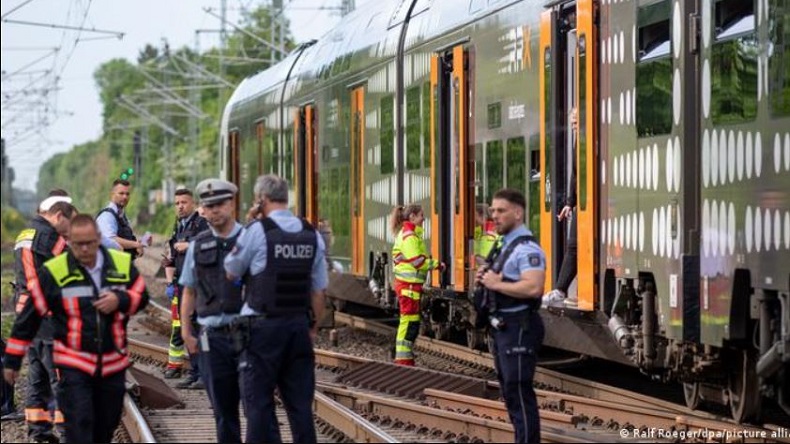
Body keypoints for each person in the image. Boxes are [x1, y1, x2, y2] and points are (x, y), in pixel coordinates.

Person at [3, 214, 150, 443]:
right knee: (79, 424)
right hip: (74, 365)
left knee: (105, 425)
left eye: (89, 243)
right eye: (78, 244)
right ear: (69, 242)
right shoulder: (55, 271)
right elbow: (28, 318)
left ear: (98, 239)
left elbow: (142, 296)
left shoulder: (120, 265)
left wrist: (120, 300)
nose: (84, 249)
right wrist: (12, 360)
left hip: (112, 365)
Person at [225, 174, 327, 444]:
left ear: (261, 199)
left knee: (258, 404)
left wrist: (249, 222)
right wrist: (312, 328)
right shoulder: (311, 234)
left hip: (261, 330)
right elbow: (319, 293)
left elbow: (231, 270)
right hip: (297, 328)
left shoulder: (257, 231)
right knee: (300, 406)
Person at [476, 188, 546, 443]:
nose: (494, 215)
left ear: (518, 213)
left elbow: (533, 286)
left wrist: (496, 284)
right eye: (493, 210)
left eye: (501, 210)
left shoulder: (527, 248)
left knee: (518, 390)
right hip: (503, 328)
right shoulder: (504, 244)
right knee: (510, 391)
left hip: (519, 326)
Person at [179, 179, 244, 442]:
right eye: (209, 205)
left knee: (257, 406)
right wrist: (186, 330)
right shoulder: (199, 244)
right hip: (212, 337)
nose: (214, 210)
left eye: (219, 204)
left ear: (231, 204)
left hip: (247, 335)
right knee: (223, 409)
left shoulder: (250, 239)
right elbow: (189, 290)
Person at [13, 196, 76, 442]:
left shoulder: (24, 234)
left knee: (37, 378)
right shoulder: (53, 238)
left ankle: (39, 433)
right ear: (59, 215)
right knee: (61, 378)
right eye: (67, 224)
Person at [162, 188, 209, 387]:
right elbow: (174, 256)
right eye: (177, 203)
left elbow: (209, 245)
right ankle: (196, 371)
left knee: (200, 329)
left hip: (198, 285)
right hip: (182, 284)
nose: (180, 206)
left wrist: (188, 246)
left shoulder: (201, 224)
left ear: (193, 204)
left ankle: (205, 374)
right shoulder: (179, 226)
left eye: (184, 202)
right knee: (186, 327)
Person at [390, 204, 442, 366]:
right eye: (421, 215)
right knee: (409, 322)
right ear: (412, 217)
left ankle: (405, 358)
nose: (423, 218)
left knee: (410, 322)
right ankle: (403, 360)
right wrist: (437, 265)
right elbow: (417, 261)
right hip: (408, 286)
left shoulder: (409, 235)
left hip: (410, 286)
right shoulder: (409, 237)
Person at [544, 108, 579, 307]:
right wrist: (569, 203)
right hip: (582, 204)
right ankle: (560, 289)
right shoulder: (579, 140)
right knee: (573, 245)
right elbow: (575, 175)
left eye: (576, 122)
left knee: (575, 246)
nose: (573, 126)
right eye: (572, 122)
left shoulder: (589, 140)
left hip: (590, 203)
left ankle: (561, 289)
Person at [96, 179, 145, 259]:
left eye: (127, 194)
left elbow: (124, 237)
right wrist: (135, 244)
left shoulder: (121, 215)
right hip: (109, 265)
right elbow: (111, 240)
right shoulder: (107, 216)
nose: (125, 197)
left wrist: (140, 243)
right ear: (112, 194)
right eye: (121, 193)